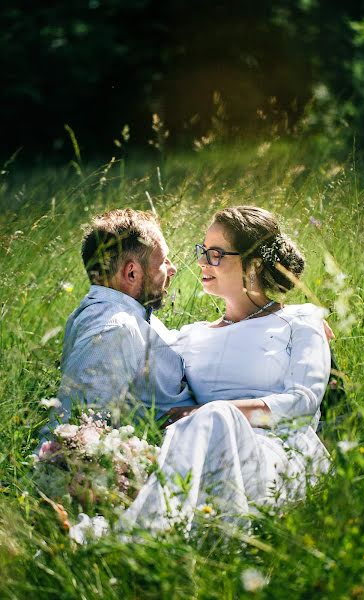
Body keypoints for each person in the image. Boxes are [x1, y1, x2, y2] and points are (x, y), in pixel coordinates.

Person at [120, 206, 331, 531]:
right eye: (202, 251)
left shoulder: (299, 321)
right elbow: (132, 333)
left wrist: (215, 411)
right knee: (201, 428)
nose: (202, 262)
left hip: (277, 456)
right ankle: (149, 541)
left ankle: (137, 539)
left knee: (213, 420)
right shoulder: (190, 337)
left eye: (216, 254)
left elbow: (302, 405)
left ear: (254, 265)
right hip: (201, 451)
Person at [40, 208, 197, 442]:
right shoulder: (113, 330)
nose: (172, 269)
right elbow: (75, 428)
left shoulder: (130, 312)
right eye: (163, 261)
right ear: (131, 273)